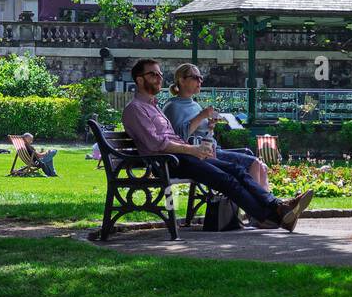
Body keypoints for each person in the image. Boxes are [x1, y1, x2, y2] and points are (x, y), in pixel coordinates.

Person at [123, 59, 312, 231]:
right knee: (227, 180)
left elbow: (173, 138)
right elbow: (158, 143)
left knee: (237, 171)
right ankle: (276, 215)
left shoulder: (153, 106)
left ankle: (278, 208)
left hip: (184, 156)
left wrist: (198, 147)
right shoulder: (135, 109)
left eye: (160, 75)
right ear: (139, 80)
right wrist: (193, 149)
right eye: (153, 75)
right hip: (168, 162)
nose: (159, 78)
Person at [163, 63, 270, 191]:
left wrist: (210, 126)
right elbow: (179, 138)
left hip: (211, 151)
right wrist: (201, 116)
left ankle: (269, 206)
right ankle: (262, 207)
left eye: (200, 78)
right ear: (181, 80)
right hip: (198, 157)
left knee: (260, 165)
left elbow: (201, 133)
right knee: (254, 163)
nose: (200, 81)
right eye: (195, 78)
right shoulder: (173, 106)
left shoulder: (194, 105)